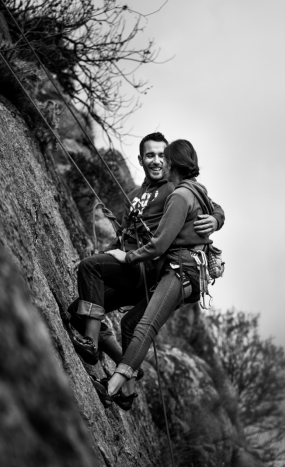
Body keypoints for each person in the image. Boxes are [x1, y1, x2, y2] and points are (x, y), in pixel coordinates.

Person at [67, 133, 225, 376]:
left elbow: (212, 206)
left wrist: (215, 220)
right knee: (78, 311)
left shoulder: (176, 188)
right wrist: (105, 255)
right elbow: (123, 238)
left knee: (91, 268)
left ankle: (90, 344)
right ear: (141, 159)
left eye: (162, 155)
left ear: (170, 161)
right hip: (127, 269)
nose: (156, 160)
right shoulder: (132, 196)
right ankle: (128, 367)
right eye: (150, 155)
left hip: (147, 267)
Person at [93, 139, 217, 406]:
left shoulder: (179, 195)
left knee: (145, 325)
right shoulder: (198, 190)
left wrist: (128, 257)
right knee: (130, 323)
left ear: (172, 163)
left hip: (181, 271)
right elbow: (212, 209)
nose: (161, 162)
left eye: (165, 158)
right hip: (189, 272)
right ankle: (127, 393)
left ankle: (112, 387)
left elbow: (160, 243)